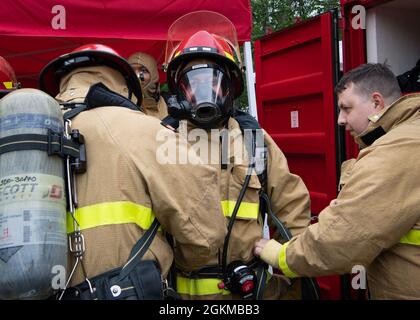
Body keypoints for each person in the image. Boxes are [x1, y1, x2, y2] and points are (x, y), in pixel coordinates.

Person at [38, 44, 227, 299]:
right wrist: (183, 262)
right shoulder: (146, 130)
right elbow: (205, 232)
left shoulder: (23, 135)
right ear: (125, 84)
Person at [164, 27, 311, 300]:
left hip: (248, 292)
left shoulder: (253, 140)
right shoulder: (163, 140)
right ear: (179, 89)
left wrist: (287, 269)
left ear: (230, 86)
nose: (205, 91)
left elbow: (291, 210)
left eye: (213, 80)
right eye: (194, 81)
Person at [254, 63, 420, 300]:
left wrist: (283, 255)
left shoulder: (398, 149)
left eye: (346, 108)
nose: (340, 120)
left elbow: (345, 234)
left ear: (376, 102)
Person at [128, 52, 168, 119]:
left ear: (153, 74)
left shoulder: (169, 102)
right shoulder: (121, 103)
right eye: (131, 70)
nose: (136, 76)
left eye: (143, 70)